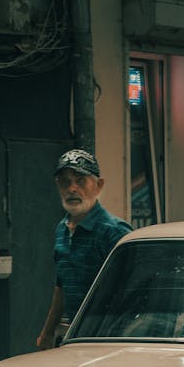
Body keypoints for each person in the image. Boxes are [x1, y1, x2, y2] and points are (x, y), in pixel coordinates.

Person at [37, 149, 132, 349]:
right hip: (77, 336)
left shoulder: (114, 231)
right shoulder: (62, 229)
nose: (72, 189)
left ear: (99, 185)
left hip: (109, 339)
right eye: (65, 182)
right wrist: (47, 331)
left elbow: (132, 290)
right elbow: (61, 286)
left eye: (80, 181)